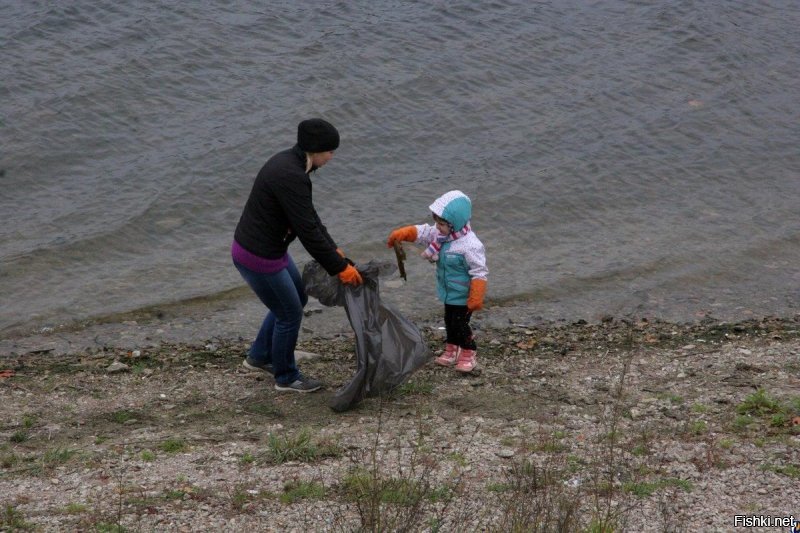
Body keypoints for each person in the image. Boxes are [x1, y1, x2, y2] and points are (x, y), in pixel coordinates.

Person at [232, 118, 363, 393]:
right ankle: (286, 376)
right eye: (330, 151)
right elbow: (307, 233)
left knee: (298, 297)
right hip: (258, 257)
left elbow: (310, 219)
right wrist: (339, 268)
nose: (332, 156)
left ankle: (259, 357)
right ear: (315, 151)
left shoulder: (292, 165)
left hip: (271, 251)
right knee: (289, 313)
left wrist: (335, 251)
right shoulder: (290, 176)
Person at [386, 190, 488, 372]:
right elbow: (423, 232)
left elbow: (479, 271)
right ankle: (452, 348)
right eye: (437, 222)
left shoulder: (470, 245)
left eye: (441, 224)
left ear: (454, 224)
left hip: (464, 295)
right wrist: (404, 233)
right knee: (449, 320)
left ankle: (469, 352)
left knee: (460, 323)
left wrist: (476, 296)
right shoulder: (440, 234)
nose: (437, 227)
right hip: (448, 292)